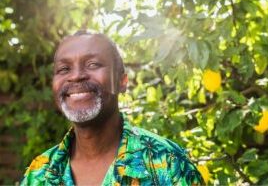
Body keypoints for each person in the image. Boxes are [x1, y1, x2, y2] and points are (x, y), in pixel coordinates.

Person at [21, 31, 203, 185]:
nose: (76, 76)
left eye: (92, 64)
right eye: (64, 69)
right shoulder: (39, 175)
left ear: (122, 82)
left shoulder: (169, 163)